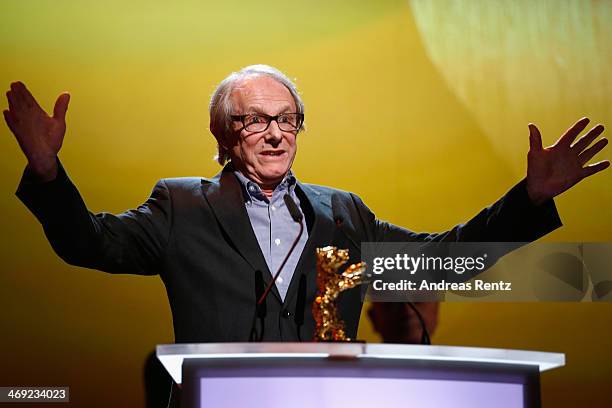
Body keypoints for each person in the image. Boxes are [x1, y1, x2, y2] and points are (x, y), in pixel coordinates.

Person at [3, 64, 609, 345]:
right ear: (222, 134)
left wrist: (529, 199)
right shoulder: (181, 208)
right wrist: (46, 169)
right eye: (256, 120)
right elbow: (87, 242)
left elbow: (444, 260)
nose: (276, 133)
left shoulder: (341, 213)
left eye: (288, 119)